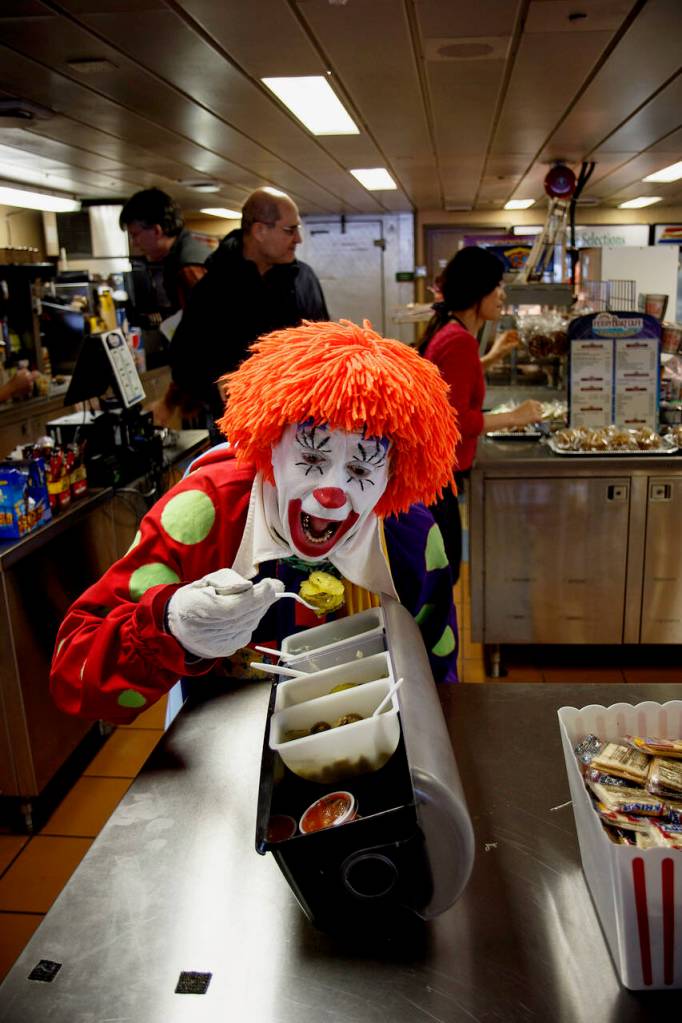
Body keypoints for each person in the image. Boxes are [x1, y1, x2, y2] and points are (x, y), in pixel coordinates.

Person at [50, 319, 460, 724]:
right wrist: (169, 626)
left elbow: (437, 673)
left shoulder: (408, 531)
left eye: (360, 469)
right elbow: (75, 676)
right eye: (313, 458)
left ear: (391, 473)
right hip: (222, 746)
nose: (330, 494)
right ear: (270, 445)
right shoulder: (205, 510)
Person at [419, 246, 543, 579]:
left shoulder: (451, 331)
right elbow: (456, 420)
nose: (502, 294)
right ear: (478, 291)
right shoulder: (459, 342)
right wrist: (516, 416)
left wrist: (492, 356)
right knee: (445, 574)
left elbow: (452, 382)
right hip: (438, 479)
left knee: (439, 569)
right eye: (497, 286)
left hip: (433, 474)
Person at [169, 188, 329, 428]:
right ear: (260, 231)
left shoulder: (304, 278)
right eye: (290, 230)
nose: (298, 239)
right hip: (236, 428)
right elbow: (184, 361)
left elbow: (325, 348)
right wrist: (215, 382)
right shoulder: (215, 285)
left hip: (298, 424)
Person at [120, 187, 212, 426]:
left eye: (136, 234)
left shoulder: (188, 268)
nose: (135, 243)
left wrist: (172, 399)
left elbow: (202, 338)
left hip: (213, 392)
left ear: (157, 230)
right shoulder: (185, 257)